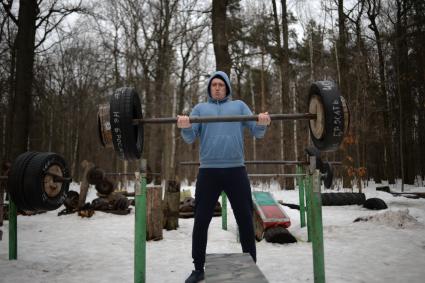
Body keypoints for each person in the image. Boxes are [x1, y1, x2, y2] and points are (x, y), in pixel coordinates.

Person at [177, 71, 271, 283]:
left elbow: (257, 132)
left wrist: (263, 121)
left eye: (221, 85)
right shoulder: (200, 109)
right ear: (210, 88)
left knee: (245, 219)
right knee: (201, 220)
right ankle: (198, 268)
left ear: (227, 88)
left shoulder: (239, 106)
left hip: (235, 170)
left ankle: (250, 264)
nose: (217, 88)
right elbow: (190, 137)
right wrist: (185, 126)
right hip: (208, 172)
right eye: (214, 85)